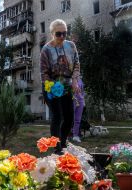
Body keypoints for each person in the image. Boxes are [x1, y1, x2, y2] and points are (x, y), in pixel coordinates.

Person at [40, 19, 80, 154]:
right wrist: (51, 88)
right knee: (57, 116)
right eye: (58, 34)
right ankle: (56, 148)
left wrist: (74, 80)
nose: (62, 37)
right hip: (51, 86)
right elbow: (44, 72)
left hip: (67, 85)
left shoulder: (71, 46)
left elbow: (76, 64)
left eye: (65, 33)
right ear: (52, 33)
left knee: (69, 118)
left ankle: (62, 144)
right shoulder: (46, 49)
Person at [72, 78, 85, 143]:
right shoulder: (70, 78)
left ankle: (75, 136)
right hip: (72, 100)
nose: (77, 69)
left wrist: (83, 99)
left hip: (80, 100)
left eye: (78, 68)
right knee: (69, 119)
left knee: (78, 119)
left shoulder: (80, 79)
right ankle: (64, 136)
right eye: (76, 68)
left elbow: (82, 90)